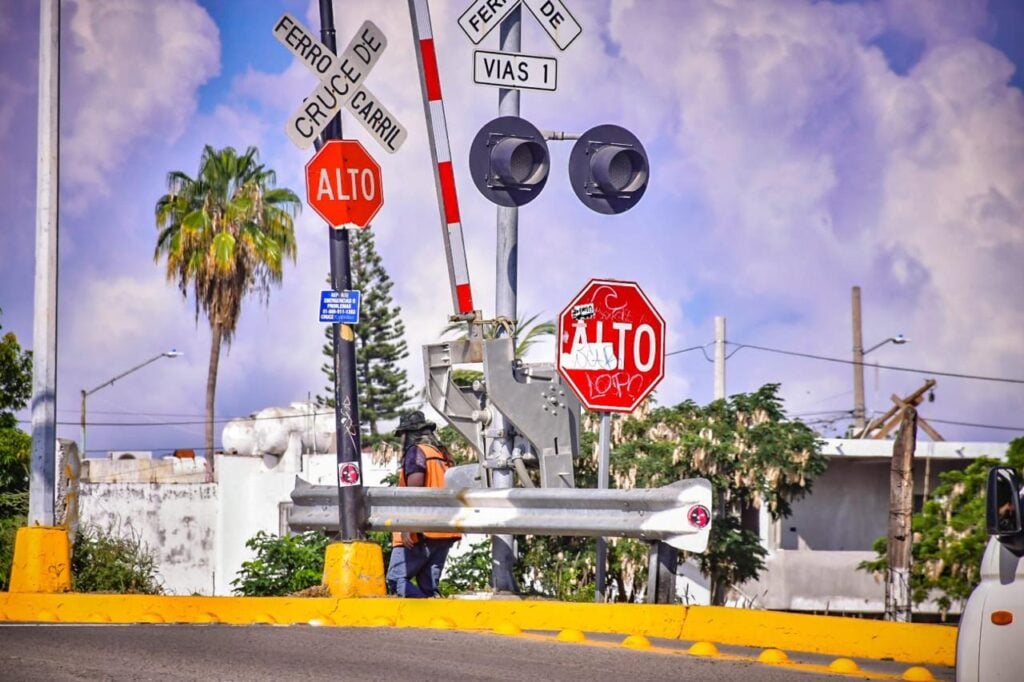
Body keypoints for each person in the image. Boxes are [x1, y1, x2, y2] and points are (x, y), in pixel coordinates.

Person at [385, 410, 461, 597]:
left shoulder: (416, 453)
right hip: (445, 528)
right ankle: (434, 616)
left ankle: (425, 610)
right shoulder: (442, 454)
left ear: (409, 434)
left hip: (421, 531)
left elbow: (414, 492)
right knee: (429, 587)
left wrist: (406, 526)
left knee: (396, 579)